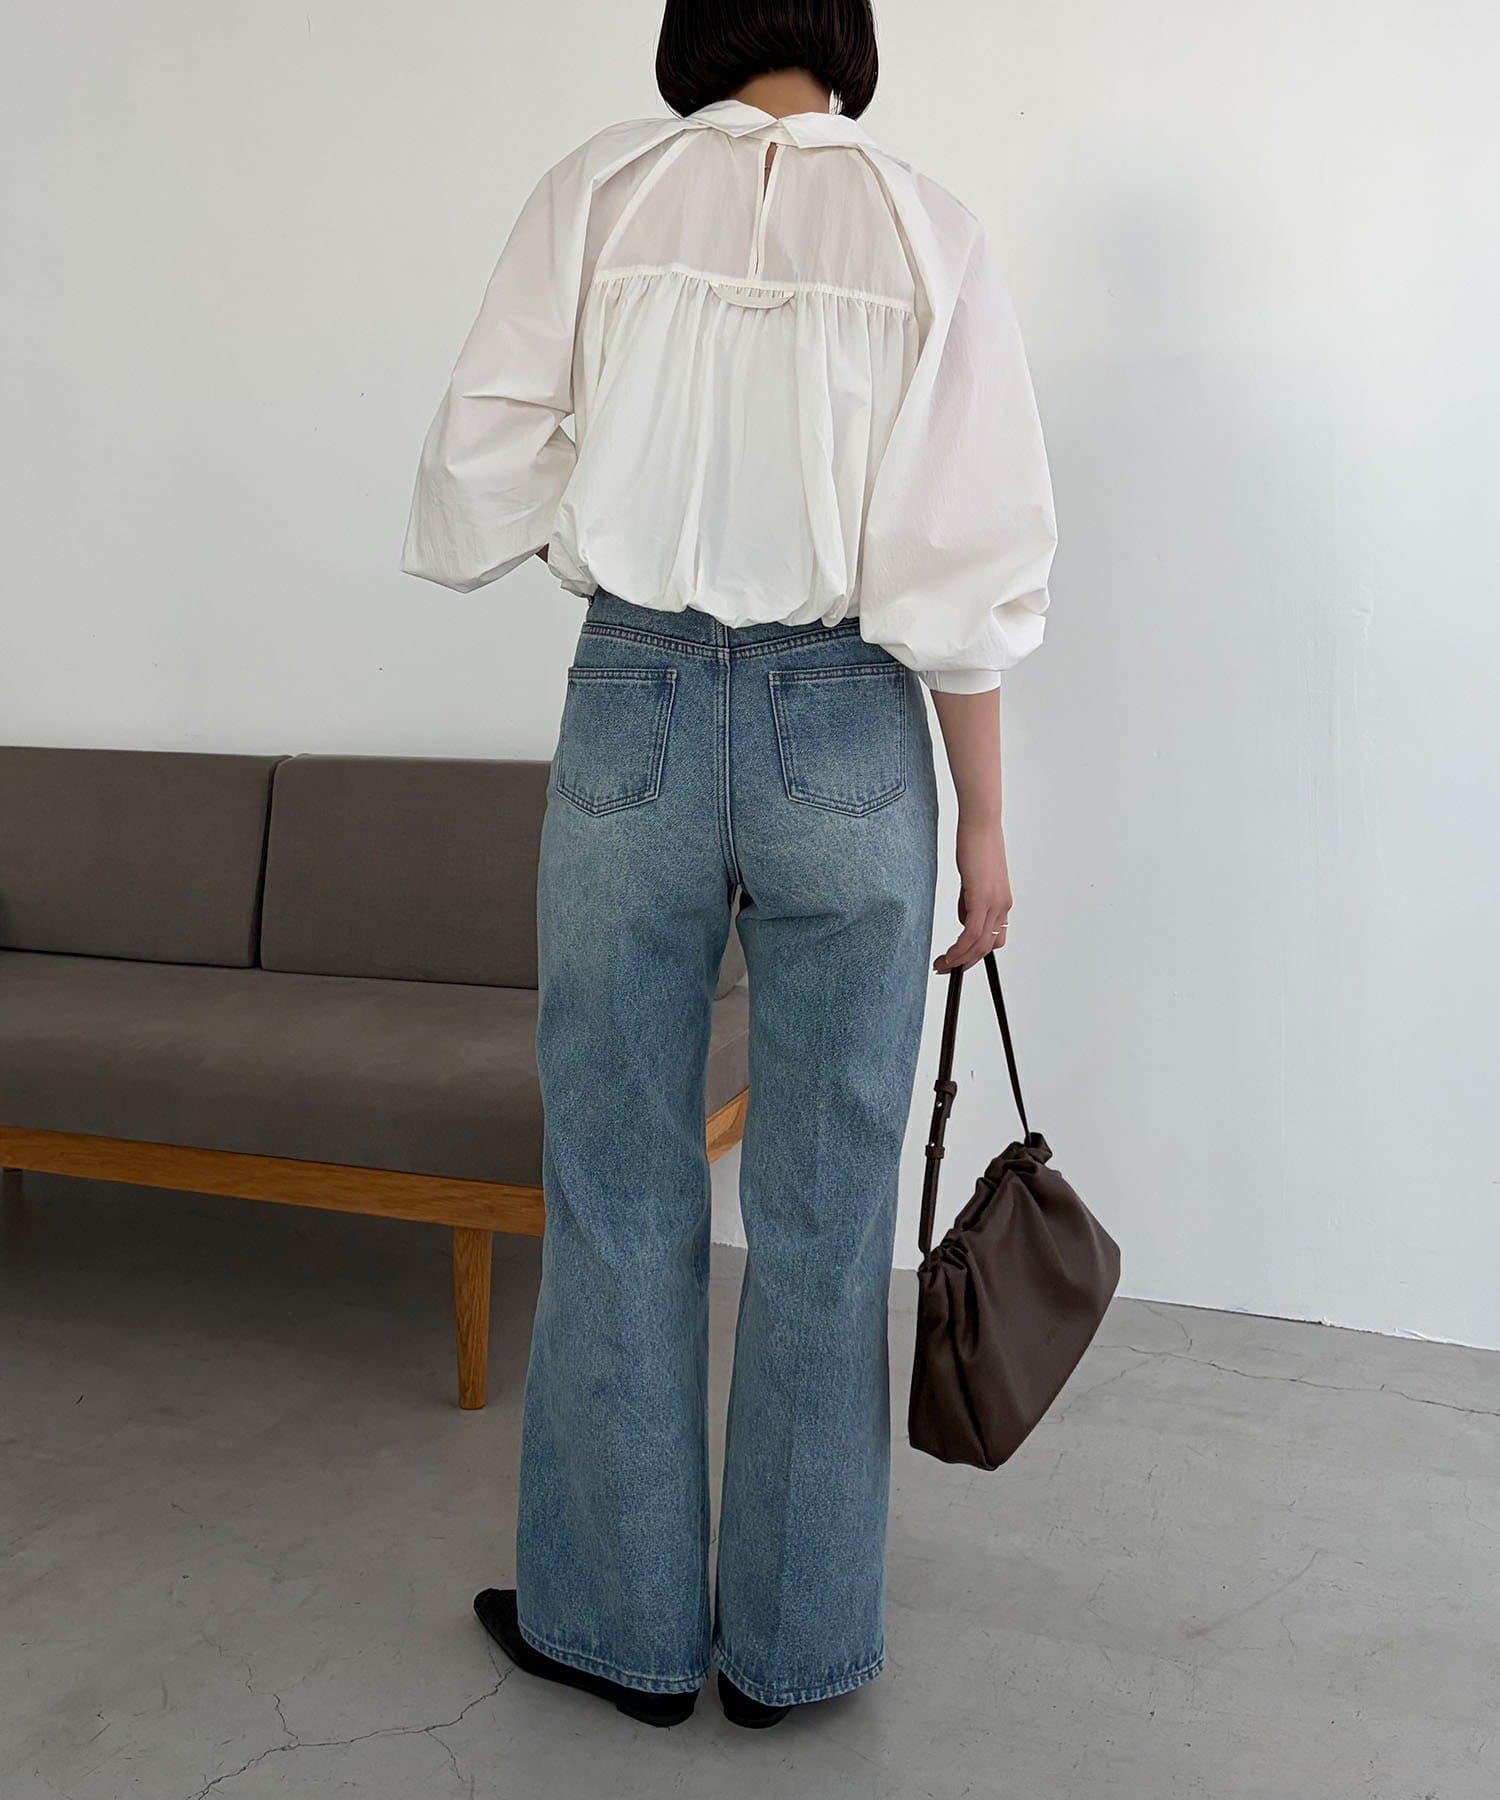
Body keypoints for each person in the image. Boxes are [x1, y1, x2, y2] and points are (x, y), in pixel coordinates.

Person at [400, 0, 1056, 1732]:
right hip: (851, 716)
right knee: (830, 1213)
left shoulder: (602, 193)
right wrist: (987, 823)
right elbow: (964, 562)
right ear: (846, 32)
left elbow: (478, 460)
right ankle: (792, 1649)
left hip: (639, 689)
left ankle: (614, 1630)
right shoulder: (929, 229)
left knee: (618, 1179)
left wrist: (613, 493)